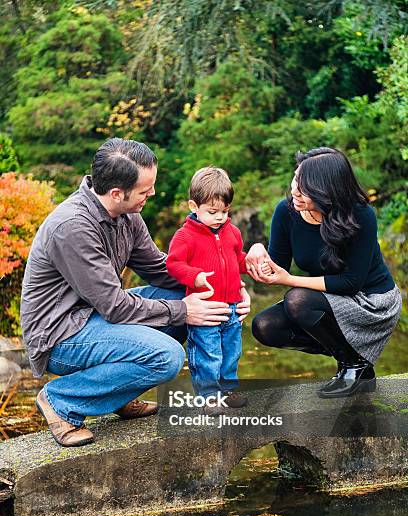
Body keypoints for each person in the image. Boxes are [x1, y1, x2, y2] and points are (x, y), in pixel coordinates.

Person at [20, 139, 251, 447]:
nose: (152, 194)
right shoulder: (73, 227)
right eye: (145, 190)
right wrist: (183, 310)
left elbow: (160, 269)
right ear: (117, 193)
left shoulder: (127, 215)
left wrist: (229, 291)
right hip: (60, 334)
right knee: (167, 356)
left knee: (204, 306)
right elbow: (115, 306)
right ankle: (61, 400)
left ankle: (117, 397)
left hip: (95, 316)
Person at [246, 147, 402, 398]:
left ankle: (353, 366)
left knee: (297, 299)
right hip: (328, 299)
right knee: (265, 326)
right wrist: (257, 249)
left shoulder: (360, 214)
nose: (295, 190)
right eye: (296, 179)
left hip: (372, 301)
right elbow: (278, 265)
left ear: (326, 188)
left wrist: (289, 280)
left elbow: (351, 283)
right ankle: (356, 362)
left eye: (304, 185)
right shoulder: (286, 212)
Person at [166, 167, 248, 410]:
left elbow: (237, 258)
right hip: (205, 308)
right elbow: (173, 264)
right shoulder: (185, 236)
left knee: (231, 353)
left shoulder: (232, 232)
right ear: (194, 206)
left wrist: (252, 265)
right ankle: (209, 396)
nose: (220, 217)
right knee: (207, 354)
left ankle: (228, 390)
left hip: (232, 307)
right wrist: (195, 276)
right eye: (213, 212)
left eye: (225, 211)